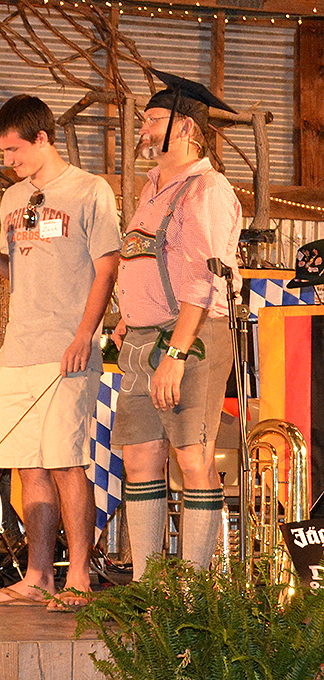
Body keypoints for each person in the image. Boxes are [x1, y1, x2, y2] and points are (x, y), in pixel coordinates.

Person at [0, 94, 120, 609]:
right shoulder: (13, 201)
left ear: (42, 138)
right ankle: (38, 577)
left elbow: (107, 267)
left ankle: (78, 574)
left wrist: (86, 334)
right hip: (18, 349)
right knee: (26, 465)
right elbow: (23, 271)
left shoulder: (89, 190)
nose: (8, 162)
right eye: (2, 154)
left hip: (67, 347)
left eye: (14, 150)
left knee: (64, 461)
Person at [112, 71, 241, 579]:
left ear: (185, 127)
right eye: (145, 120)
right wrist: (128, 316)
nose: (143, 130)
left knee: (193, 460)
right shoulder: (151, 187)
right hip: (143, 339)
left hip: (190, 339)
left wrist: (177, 353)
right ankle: (148, 588)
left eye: (154, 121)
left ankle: (195, 592)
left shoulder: (206, 189)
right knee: (140, 459)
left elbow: (204, 281)